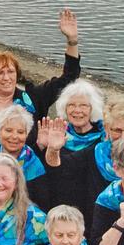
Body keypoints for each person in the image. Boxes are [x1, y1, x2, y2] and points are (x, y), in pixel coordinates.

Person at [0, 10, 81, 166]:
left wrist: (72, 41)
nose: (7, 78)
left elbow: (69, 77)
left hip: (29, 174)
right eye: (0, 73)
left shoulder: (33, 99)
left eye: (11, 72)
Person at [44, 92, 124, 219]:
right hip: (97, 227)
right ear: (107, 128)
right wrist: (53, 150)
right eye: (117, 130)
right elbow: (59, 168)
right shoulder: (92, 155)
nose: (123, 137)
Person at [40, 80, 106, 216]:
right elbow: (49, 175)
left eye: (83, 105)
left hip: (92, 207)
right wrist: (43, 147)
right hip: (60, 205)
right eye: (71, 105)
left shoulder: (103, 138)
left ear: (93, 108)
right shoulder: (57, 134)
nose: (77, 110)